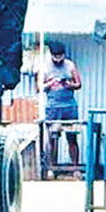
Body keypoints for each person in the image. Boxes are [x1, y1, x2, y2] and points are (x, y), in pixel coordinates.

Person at [40, 40, 83, 169]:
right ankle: (52, 168)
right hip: (53, 106)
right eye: (55, 56)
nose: (58, 59)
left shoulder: (70, 65)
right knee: (53, 138)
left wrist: (70, 85)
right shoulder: (45, 67)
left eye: (60, 56)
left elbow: (79, 84)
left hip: (69, 106)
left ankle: (75, 168)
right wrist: (50, 84)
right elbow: (39, 87)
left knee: (72, 138)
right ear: (51, 55)